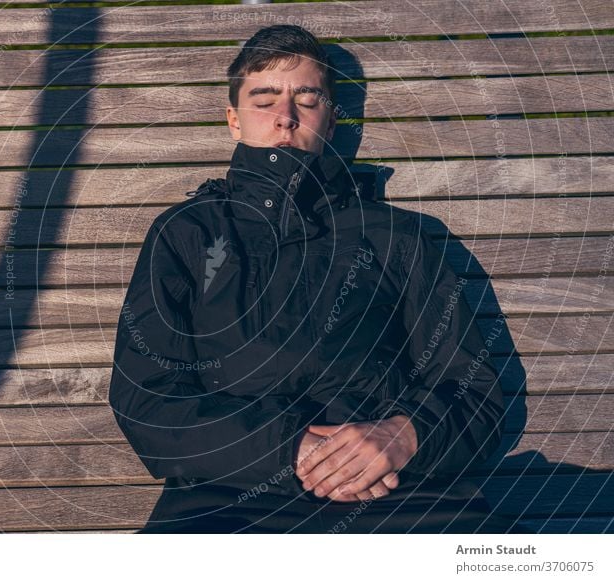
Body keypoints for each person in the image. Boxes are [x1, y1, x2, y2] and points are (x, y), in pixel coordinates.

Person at [108, 24, 530, 533]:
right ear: (234, 122)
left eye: (306, 99)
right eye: (264, 100)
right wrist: (294, 451)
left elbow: (474, 387)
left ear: (330, 121)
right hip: (229, 497)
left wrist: (405, 434)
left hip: (401, 495)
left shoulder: (397, 236)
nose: (285, 117)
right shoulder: (187, 234)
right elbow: (148, 400)